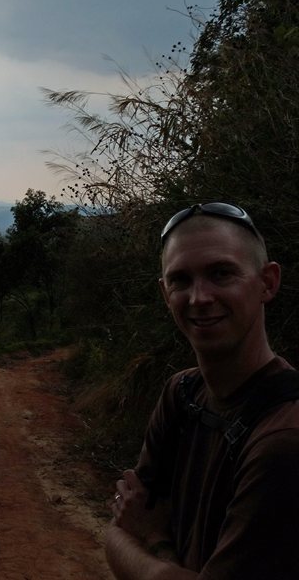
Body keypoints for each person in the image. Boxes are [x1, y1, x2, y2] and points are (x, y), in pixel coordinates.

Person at [104, 203, 299, 579]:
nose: (199, 298)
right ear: (165, 294)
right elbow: (120, 521)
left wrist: (155, 543)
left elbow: (129, 530)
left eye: (221, 273)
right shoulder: (183, 393)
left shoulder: (282, 439)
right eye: (180, 280)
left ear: (268, 282)